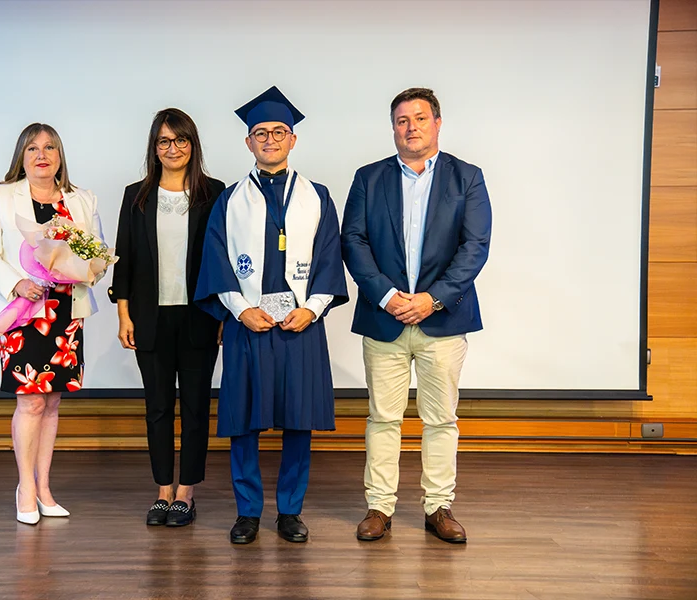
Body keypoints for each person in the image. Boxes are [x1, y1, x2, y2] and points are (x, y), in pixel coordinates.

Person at [195, 86, 348, 545]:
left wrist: (311, 310)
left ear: (292, 139)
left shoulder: (317, 196)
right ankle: (247, 512)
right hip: (249, 325)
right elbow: (216, 261)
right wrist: (241, 310)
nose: (270, 139)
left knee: (298, 421)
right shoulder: (230, 200)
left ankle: (290, 511)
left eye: (279, 132)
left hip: (300, 324)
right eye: (260, 133)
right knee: (243, 420)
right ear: (248, 142)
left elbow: (329, 258)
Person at [341, 88, 492, 543]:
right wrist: (387, 296)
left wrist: (433, 299)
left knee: (441, 419)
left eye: (420, 118)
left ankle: (438, 507)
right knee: (383, 418)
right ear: (393, 128)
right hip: (383, 319)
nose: (411, 128)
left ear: (437, 123)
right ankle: (379, 507)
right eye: (402, 120)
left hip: (442, 321)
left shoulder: (467, 178)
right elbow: (353, 242)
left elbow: (474, 247)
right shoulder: (369, 178)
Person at [0, 123, 107, 525]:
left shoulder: (82, 199)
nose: (41, 154)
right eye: (32, 148)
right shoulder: (0, 196)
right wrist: (16, 283)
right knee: (30, 400)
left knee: (51, 402)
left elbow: (97, 255)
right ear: (22, 156)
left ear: (60, 156)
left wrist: (84, 269)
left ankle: (45, 488)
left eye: (50, 147)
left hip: (65, 313)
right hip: (23, 311)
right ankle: (25, 489)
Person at [109, 108, 225, 527]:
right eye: (164, 141)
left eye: (180, 140)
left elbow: (222, 260)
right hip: (149, 318)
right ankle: (162, 491)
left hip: (200, 317)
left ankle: (186, 493)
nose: (172, 148)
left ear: (192, 144)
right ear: (154, 147)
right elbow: (124, 258)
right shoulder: (136, 195)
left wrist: (223, 316)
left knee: (195, 408)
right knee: (157, 407)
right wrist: (124, 314)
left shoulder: (214, 192)